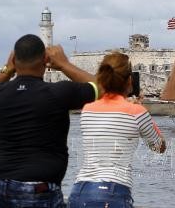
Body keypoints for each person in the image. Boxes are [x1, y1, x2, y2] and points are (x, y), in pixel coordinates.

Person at [0, 34, 98, 208]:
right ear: (45, 60)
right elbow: (103, 87)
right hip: (39, 184)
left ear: (14, 60)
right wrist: (64, 64)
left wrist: (7, 70)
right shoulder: (59, 92)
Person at [68, 52, 166, 208]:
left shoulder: (87, 110)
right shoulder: (137, 112)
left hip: (80, 189)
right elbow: (159, 146)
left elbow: (109, 106)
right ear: (129, 81)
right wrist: (141, 110)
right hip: (113, 191)